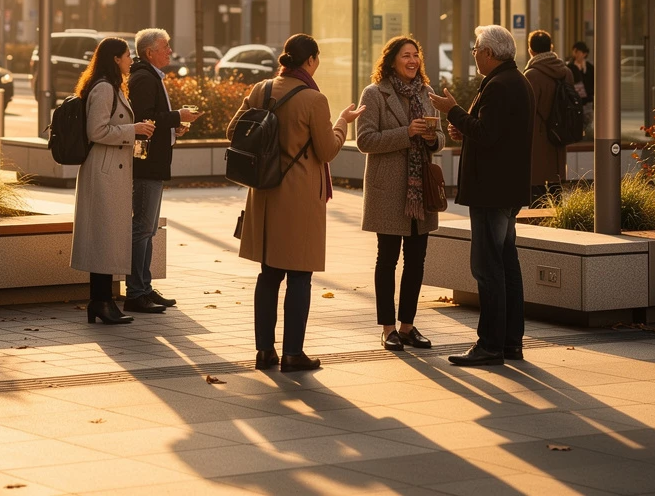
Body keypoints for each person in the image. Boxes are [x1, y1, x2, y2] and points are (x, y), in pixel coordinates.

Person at [229, 33, 365, 372]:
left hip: (264, 192)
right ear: (311, 60)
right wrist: (342, 124)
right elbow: (328, 150)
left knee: (269, 274)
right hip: (300, 195)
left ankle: (264, 352)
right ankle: (292, 353)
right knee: (300, 275)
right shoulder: (313, 100)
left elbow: (235, 130)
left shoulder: (260, 89)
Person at [430, 24, 535, 367]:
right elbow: (494, 135)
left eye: (475, 49)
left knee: (488, 268)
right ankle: (509, 343)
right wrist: (464, 126)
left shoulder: (500, 86)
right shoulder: (516, 81)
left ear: (489, 53)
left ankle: (490, 345)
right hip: (506, 188)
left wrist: (454, 110)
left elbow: (488, 135)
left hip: (492, 191)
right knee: (506, 265)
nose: (474, 54)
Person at [356, 36, 446, 353]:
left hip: (421, 190)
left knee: (416, 261)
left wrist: (433, 137)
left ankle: (407, 326)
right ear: (392, 59)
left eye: (415, 55)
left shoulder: (426, 93)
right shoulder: (375, 93)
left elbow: (441, 140)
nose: (412, 60)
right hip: (389, 191)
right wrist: (406, 133)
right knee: (388, 260)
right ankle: (388, 328)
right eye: (406, 55)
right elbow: (365, 140)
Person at [70, 36, 155, 325]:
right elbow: (97, 131)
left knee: (105, 237)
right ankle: (101, 302)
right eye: (127, 55)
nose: (131, 60)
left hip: (110, 169)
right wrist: (134, 128)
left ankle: (102, 302)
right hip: (104, 170)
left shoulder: (110, 85)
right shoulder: (104, 88)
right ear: (115, 59)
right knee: (103, 237)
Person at [125, 27, 202, 314]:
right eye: (165, 46)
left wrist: (175, 125)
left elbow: (155, 118)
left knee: (148, 229)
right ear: (149, 52)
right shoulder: (144, 77)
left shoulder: (150, 75)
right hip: (146, 165)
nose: (170, 50)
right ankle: (136, 292)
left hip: (153, 163)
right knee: (142, 228)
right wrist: (177, 116)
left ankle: (143, 287)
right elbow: (145, 118)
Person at [524, 29, 576, 196]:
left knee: (537, 187)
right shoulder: (566, 72)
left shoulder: (531, 74)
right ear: (551, 47)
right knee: (556, 186)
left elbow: (528, 110)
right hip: (560, 135)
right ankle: (557, 220)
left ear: (530, 49)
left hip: (537, 138)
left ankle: (539, 221)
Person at [566, 41, 594, 139]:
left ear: (584, 53)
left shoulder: (590, 68)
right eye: (574, 51)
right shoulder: (569, 67)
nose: (575, 54)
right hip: (574, 102)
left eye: (578, 52)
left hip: (587, 102)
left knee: (588, 125)